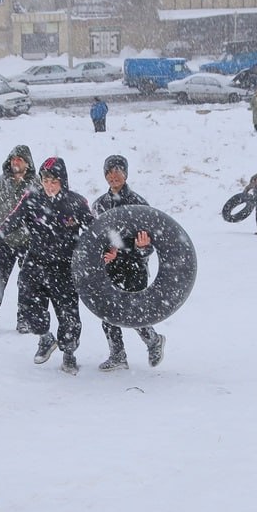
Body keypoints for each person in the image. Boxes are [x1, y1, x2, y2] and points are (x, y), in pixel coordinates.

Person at [0, 157, 93, 375]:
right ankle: (45, 337)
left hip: (64, 266)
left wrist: (109, 248)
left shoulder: (76, 203)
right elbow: (12, 220)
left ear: (63, 181)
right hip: (36, 262)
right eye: (45, 180)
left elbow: (94, 229)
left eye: (54, 181)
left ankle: (69, 354)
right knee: (28, 305)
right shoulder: (31, 199)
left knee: (68, 313)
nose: (49, 186)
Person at [90, 154, 166, 371]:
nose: (113, 176)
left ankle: (153, 341)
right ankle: (117, 354)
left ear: (125, 174)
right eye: (109, 172)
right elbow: (95, 238)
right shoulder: (99, 205)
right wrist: (106, 254)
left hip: (134, 268)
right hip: (110, 267)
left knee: (133, 312)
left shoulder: (139, 204)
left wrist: (140, 248)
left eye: (118, 172)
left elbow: (149, 244)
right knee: (107, 312)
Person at [0, 145, 38, 333]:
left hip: (28, 242)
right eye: (13, 158)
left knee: (27, 283)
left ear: (27, 163)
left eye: (19, 159)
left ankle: (24, 320)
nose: (15, 161)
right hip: (4, 241)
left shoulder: (36, 183)